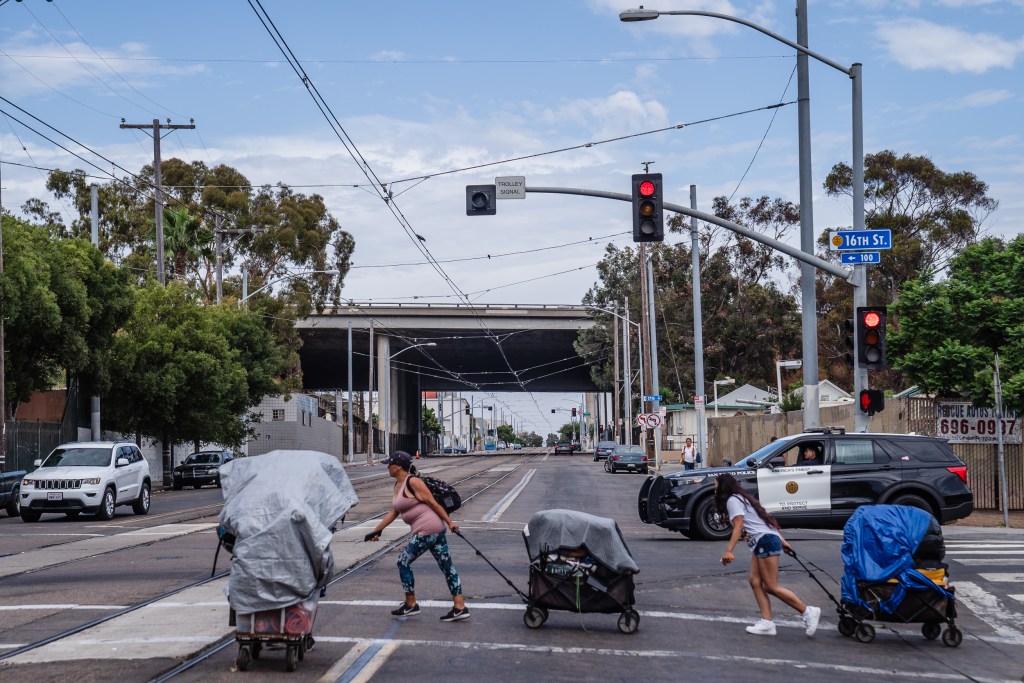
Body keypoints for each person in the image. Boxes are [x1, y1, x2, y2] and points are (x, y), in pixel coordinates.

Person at [366, 450, 469, 622]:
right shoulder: (398, 485)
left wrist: (449, 522)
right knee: (446, 566)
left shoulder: (413, 482)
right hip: (433, 530)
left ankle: (411, 604)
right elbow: (393, 512)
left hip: (428, 530)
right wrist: (377, 530)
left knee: (403, 561)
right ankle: (460, 607)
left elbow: (433, 503)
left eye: (389, 464)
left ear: (398, 467)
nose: (388, 467)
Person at [715, 472, 820, 637]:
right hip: (764, 541)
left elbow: (738, 525)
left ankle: (807, 611)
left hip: (765, 541)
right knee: (755, 581)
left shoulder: (733, 500)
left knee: (770, 586)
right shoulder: (742, 498)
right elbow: (765, 521)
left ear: (723, 488)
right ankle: (767, 623)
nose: (714, 490)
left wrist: (729, 550)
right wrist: (782, 540)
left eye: (716, 486)